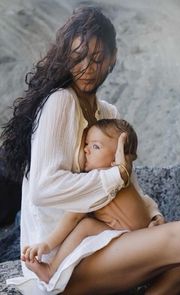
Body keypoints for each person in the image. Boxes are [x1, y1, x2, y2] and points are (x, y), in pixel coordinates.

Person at [1, 5, 180, 295]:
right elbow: (44, 188)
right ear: (65, 59)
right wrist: (113, 178)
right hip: (61, 257)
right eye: (77, 58)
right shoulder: (60, 102)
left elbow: (127, 180)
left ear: (113, 58)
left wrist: (151, 215)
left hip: (107, 239)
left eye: (97, 59)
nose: (87, 68)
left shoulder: (107, 112)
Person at [21, 118, 165, 284]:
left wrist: (46, 245)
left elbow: (73, 217)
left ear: (117, 159)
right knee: (90, 223)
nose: (86, 150)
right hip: (143, 238)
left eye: (96, 146)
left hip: (133, 245)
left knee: (85, 225)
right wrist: (155, 216)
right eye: (87, 144)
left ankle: (51, 270)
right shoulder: (123, 181)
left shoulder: (101, 181)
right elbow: (142, 201)